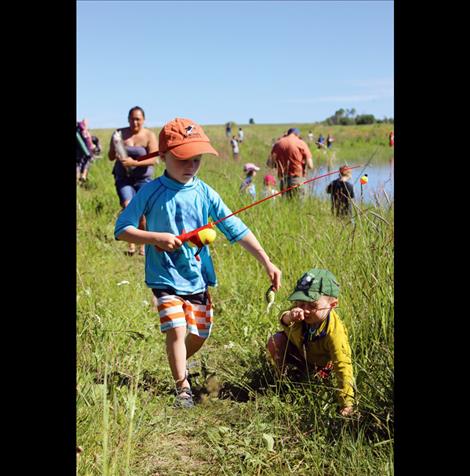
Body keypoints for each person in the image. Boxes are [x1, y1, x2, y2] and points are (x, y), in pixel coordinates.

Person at [114, 117, 282, 409]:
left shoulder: (205, 192)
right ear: (163, 156)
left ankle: (177, 360)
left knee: (199, 334)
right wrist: (156, 238)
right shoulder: (150, 192)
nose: (191, 165)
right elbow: (122, 229)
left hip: (197, 278)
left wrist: (266, 261)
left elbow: (236, 228)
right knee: (176, 329)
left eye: (197, 159)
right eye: (183, 159)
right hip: (163, 277)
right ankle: (183, 389)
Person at [267, 268, 355, 416]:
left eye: (313, 306)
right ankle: (282, 382)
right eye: (300, 303)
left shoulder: (334, 332)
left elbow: (342, 365)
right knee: (276, 340)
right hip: (301, 353)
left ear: (332, 305)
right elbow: (283, 321)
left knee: (317, 381)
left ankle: (312, 380)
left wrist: (347, 403)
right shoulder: (299, 312)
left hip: (321, 365)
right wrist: (289, 316)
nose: (305, 310)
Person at [108, 106, 159, 256]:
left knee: (142, 212)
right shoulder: (119, 133)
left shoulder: (149, 135)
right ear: (128, 119)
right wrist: (115, 146)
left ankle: (142, 244)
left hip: (143, 179)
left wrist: (134, 163)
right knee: (128, 206)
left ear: (143, 120)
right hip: (123, 178)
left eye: (138, 119)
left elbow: (154, 159)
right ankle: (131, 244)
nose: (135, 122)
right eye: (132, 119)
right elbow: (110, 157)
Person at [269, 127, 313, 198]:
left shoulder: (278, 143)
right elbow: (310, 165)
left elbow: (270, 164)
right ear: (297, 134)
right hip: (298, 180)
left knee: (286, 207)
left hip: (284, 182)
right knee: (299, 207)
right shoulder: (301, 143)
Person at [76, 119, 97, 183]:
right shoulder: (85, 132)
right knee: (86, 163)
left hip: (79, 152)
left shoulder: (79, 130)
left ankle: (78, 179)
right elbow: (90, 144)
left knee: (77, 165)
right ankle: (83, 176)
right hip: (86, 152)